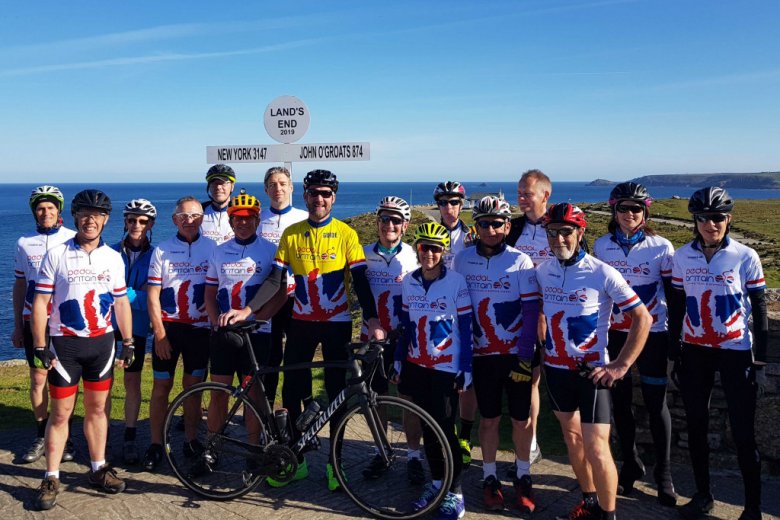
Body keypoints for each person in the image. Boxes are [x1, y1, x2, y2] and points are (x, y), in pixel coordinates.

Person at [219, 169, 385, 491]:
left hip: (336, 326)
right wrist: (248, 310)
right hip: (301, 325)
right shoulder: (292, 234)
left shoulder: (346, 234)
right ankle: (297, 458)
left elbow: (361, 282)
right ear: (305, 196)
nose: (319, 199)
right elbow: (275, 280)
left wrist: (373, 319)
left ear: (333, 198)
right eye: (314, 193)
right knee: (293, 392)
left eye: (326, 193)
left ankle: (335, 464)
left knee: (337, 394)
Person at [535, 203, 651, 520]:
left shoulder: (602, 272)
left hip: (592, 372)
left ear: (581, 232)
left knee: (597, 446)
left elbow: (643, 318)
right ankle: (589, 502)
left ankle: (608, 514)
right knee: (572, 439)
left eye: (566, 232)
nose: (559, 238)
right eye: (552, 232)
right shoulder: (543, 271)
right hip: (556, 371)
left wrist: (621, 365)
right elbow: (537, 309)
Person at [669, 187, 767, 520]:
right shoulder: (682, 257)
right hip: (695, 350)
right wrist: (675, 351)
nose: (711, 224)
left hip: (735, 351)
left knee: (743, 432)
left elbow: (761, 307)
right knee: (696, 425)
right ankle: (703, 495)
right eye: (703, 218)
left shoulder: (745, 256)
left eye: (717, 217)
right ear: (694, 221)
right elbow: (678, 307)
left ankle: (752, 507)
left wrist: (762, 356)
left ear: (728, 219)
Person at [32, 189, 133, 510]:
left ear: (105, 220)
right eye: (85, 214)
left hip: (102, 344)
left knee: (98, 410)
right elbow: (40, 302)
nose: (91, 220)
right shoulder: (57, 254)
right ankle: (51, 474)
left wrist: (128, 341)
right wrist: (39, 345)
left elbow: (120, 302)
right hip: (65, 346)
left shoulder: (113, 257)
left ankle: (98, 468)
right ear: (75, 217)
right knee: (60, 414)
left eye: (98, 215)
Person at [592, 182, 677, 506]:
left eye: (636, 209)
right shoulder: (602, 246)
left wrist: (676, 340)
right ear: (614, 210)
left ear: (645, 213)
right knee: (622, 406)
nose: (630, 214)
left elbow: (673, 294)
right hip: (615, 334)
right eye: (624, 208)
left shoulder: (661, 247)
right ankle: (630, 464)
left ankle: (664, 475)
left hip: (653, 335)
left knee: (657, 406)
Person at [453, 196, 539, 514]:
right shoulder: (461, 260)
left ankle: (523, 475)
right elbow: (459, 307)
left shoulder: (520, 261)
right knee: (488, 420)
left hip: (515, 354)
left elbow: (531, 312)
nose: (491, 230)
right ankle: (489, 478)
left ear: (507, 225)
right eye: (485, 223)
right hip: (481, 355)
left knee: (521, 419)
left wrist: (525, 356)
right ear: (476, 225)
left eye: (498, 223)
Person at [392, 222, 473, 520]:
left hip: (445, 368)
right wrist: (399, 359)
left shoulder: (456, 282)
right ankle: (437, 483)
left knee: (445, 430)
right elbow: (404, 325)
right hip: (416, 364)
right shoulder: (408, 281)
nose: (430, 254)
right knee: (428, 428)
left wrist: (466, 367)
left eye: (436, 249)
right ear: (418, 248)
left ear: (444, 252)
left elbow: (466, 327)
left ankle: (456, 492)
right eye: (425, 247)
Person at [143, 196, 217, 471]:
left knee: (194, 390)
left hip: (200, 331)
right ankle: (155, 443)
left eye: (195, 216)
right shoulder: (162, 249)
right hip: (169, 330)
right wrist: (160, 334)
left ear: (203, 218)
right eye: (184, 216)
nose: (190, 221)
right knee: (161, 388)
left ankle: (190, 439)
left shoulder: (213, 248)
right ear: (174, 219)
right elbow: (152, 295)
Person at [359, 196, 423, 483]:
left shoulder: (414, 256)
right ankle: (381, 451)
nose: (389, 225)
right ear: (377, 221)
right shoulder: (362, 254)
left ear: (405, 225)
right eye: (385, 218)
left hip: (404, 339)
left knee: (409, 398)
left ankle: (413, 456)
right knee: (376, 399)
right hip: (371, 338)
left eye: (396, 220)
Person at [13, 186, 76, 464]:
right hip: (33, 321)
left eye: (51, 207)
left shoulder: (72, 238)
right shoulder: (24, 242)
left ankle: (65, 436)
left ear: (59, 210)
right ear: (34, 212)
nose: (46, 212)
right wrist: (17, 324)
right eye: (40, 208)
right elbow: (20, 284)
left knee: (64, 381)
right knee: (38, 379)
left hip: (63, 322)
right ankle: (41, 434)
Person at [505, 169, 555, 469]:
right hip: (518, 315)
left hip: (553, 316)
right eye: (519, 193)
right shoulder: (514, 227)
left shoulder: (560, 226)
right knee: (529, 382)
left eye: (527, 193)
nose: (521, 198)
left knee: (547, 383)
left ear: (545, 195)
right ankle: (531, 443)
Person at [432, 180, 477, 466]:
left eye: (454, 202)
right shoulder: (430, 234)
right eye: (443, 203)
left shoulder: (472, 236)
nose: (449, 208)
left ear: (462, 205)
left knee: (466, 379)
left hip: (466, 310)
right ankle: (442, 431)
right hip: (436, 313)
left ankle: (466, 435)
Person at [111, 198, 157, 465]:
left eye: (142, 221)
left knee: (132, 382)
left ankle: (129, 434)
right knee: (101, 384)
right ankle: (101, 430)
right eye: (131, 220)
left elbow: (156, 297)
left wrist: (124, 295)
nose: (136, 225)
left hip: (138, 329)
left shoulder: (157, 255)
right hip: (109, 326)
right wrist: (137, 296)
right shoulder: (109, 252)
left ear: (150, 224)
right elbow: (103, 293)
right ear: (125, 222)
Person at [257, 166, 307, 406]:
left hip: (296, 298)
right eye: (273, 184)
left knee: (296, 357)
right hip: (266, 297)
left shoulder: (303, 218)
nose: (278, 188)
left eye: (283, 183)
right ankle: (266, 412)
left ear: (291, 187)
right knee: (270, 357)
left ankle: (295, 411)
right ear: (266, 190)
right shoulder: (258, 219)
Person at [201, 164, 236, 245]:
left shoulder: (242, 213)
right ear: (209, 187)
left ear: (232, 186)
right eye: (214, 183)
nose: (218, 187)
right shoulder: (199, 212)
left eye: (223, 183)